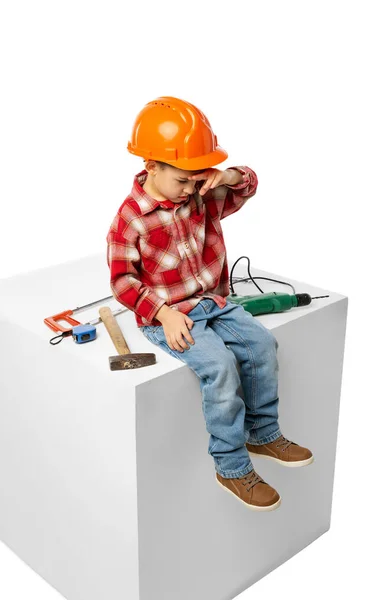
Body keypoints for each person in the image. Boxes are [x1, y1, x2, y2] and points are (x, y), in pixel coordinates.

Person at [106, 96, 314, 512]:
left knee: (260, 346)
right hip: (168, 314)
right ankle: (232, 467)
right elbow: (122, 281)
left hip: (213, 302)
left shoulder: (200, 193)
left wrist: (226, 175)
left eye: (198, 176)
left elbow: (248, 184)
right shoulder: (131, 217)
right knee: (218, 366)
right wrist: (162, 314)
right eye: (183, 178)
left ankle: (263, 434)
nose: (191, 187)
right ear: (151, 167)